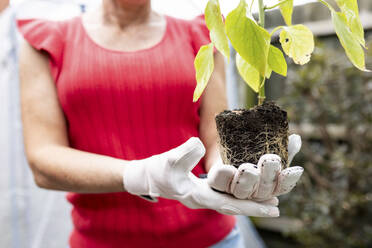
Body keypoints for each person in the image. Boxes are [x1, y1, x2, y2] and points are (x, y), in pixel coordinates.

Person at [17, 0, 303, 247]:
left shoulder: (202, 35)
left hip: (211, 241)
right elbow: (44, 160)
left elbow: (215, 138)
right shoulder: (46, 42)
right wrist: (139, 175)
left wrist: (229, 174)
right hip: (100, 243)